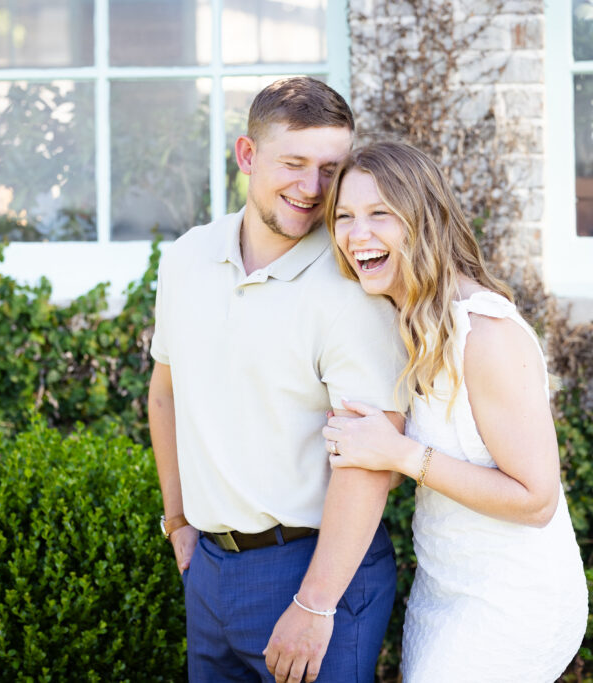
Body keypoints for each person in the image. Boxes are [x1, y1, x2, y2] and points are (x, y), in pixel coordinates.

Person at [147, 78, 409, 683]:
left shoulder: (354, 285)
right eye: (293, 163)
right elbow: (166, 393)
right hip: (209, 568)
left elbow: (374, 460)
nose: (312, 189)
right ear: (247, 155)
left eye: (330, 169)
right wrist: (179, 520)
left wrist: (315, 603)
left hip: (316, 568)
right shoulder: (187, 257)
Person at [320, 141, 589, 682]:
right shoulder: (404, 320)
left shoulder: (486, 335)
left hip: (513, 599)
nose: (357, 235)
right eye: (344, 217)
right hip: (443, 589)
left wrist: (399, 453)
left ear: (423, 221)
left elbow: (536, 499)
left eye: (379, 214)